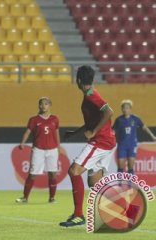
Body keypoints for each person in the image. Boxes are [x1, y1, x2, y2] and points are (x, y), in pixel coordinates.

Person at [59, 65, 116, 227]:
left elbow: (109, 112)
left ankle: (78, 215)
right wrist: (76, 132)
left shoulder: (92, 96)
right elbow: (93, 120)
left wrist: (94, 132)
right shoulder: (90, 94)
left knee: (73, 171)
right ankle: (118, 208)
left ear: (78, 81)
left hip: (100, 141)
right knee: (94, 184)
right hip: (108, 141)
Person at [15, 97, 60, 204]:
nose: (43, 106)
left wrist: (58, 146)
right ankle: (25, 197)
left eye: (46, 104)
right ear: (38, 105)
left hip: (52, 150)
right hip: (38, 150)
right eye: (41, 104)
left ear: (50, 105)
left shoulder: (55, 119)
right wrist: (22, 143)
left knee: (52, 174)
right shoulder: (34, 120)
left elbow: (56, 132)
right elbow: (28, 132)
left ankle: (52, 198)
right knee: (32, 174)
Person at [113, 99, 156, 174]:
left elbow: (145, 128)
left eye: (127, 108)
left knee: (130, 166)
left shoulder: (135, 119)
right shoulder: (119, 120)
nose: (125, 110)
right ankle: (119, 184)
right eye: (123, 108)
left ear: (130, 109)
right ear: (122, 109)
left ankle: (130, 184)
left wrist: (153, 136)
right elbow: (113, 131)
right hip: (121, 145)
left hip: (132, 145)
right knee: (120, 166)